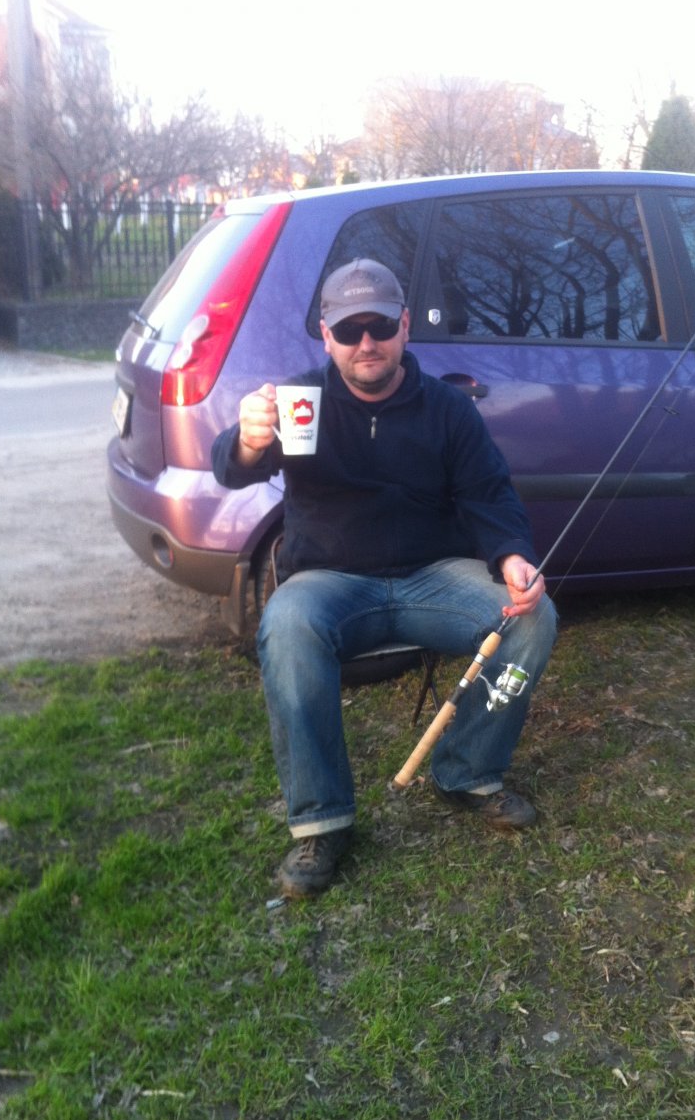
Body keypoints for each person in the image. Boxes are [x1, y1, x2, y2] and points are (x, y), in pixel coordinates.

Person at [211, 258, 557, 898]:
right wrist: (248, 441)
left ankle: (468, 770)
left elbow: (489, 493)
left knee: (534, 619)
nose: (365, 342)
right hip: (331, 582)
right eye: (349, 330)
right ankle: (323, 820)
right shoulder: (299, 401)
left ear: (404, 325)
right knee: (287, 624)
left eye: (379, 325)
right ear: (327, 336)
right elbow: (231, 468)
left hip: (433, 578)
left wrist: (512, 555)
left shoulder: (448, 409)